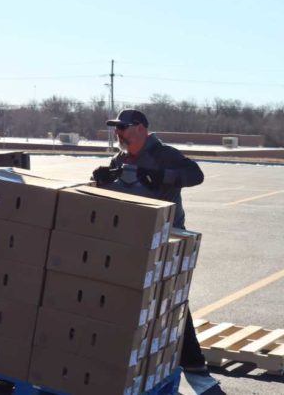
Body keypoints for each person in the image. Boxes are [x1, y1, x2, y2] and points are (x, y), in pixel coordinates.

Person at [92, 109, 209, 375]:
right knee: (133, 296)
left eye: (123, 127)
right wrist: (101, 178)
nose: (118, 133)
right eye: (116, 128)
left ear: (142, 129)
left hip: (167, 237)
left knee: (169, 294)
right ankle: (132, 355)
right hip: (130, 240)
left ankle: (192, 359)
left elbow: (196, 175)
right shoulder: (119, 158)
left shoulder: (164, 154)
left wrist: (163, 176)